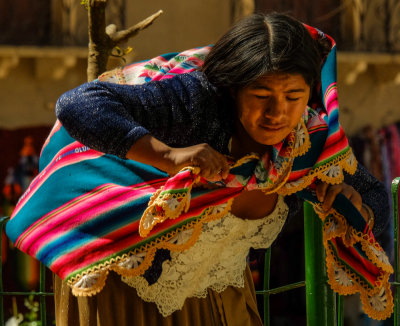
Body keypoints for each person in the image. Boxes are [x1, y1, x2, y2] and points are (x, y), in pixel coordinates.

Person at [7, 13, 391, 325]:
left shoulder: (308, 139)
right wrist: (171, 156)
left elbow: (372, 194)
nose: (277, 113)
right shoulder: (195, 101)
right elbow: (77, 103)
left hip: (222, 294)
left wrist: (349, 202)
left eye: (293, 97)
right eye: (260, 96)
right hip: (125, 287)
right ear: (231, 89)